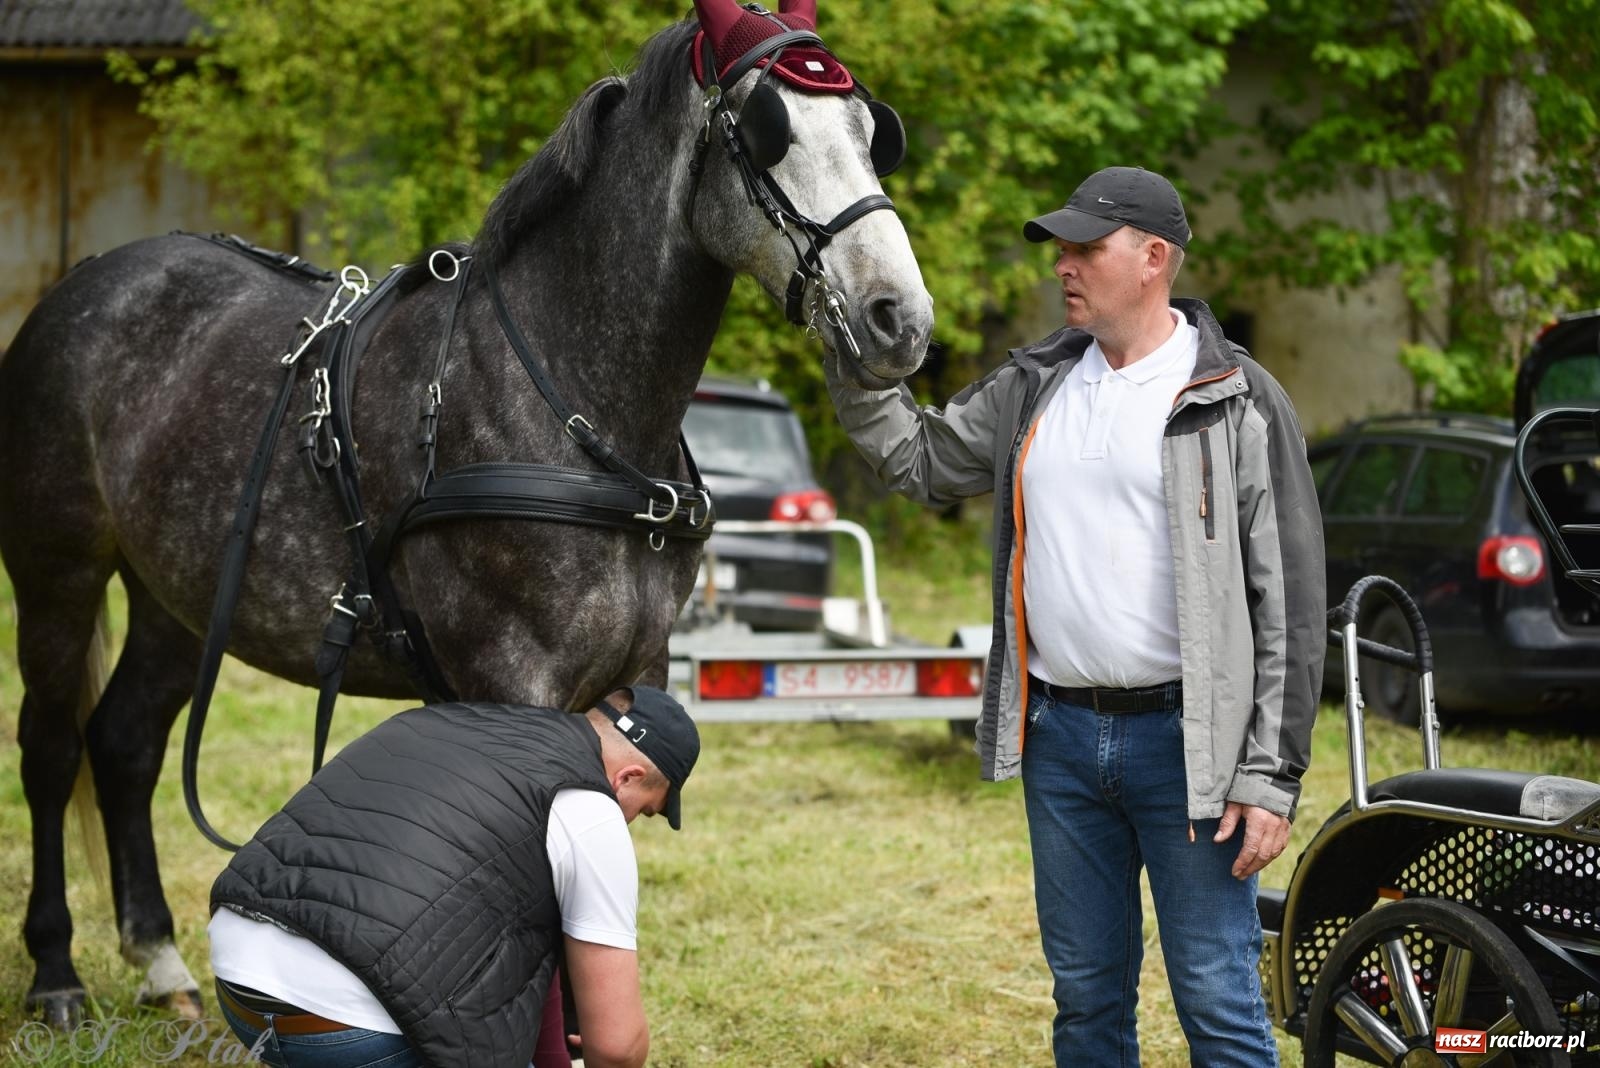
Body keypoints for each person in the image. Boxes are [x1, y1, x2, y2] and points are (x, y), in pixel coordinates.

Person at [824, 166, 1324, 1066]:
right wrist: (852, 355)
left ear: (1154, 258)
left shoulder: (1238, 399)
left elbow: (1288, 602)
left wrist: (1270, 778)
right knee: (1086, 1001)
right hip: (1058, 738)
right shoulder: (1036, 384)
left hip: (1192, 753)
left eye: (1087, 247)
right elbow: (921, 459)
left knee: (1216, 998)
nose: (1064, 264)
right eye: (1061, 247)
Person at [207, 685, 700, 1068]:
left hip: (239, 984)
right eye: (647, 812)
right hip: (347, 1030)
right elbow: (616, 1047)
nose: (634, 823)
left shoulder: (442, 719)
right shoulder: (591, 806)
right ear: (629, 778)